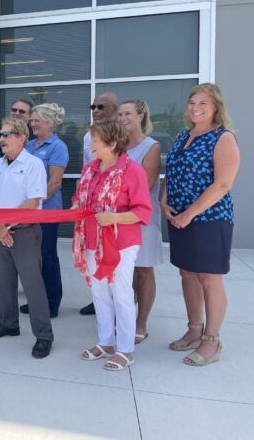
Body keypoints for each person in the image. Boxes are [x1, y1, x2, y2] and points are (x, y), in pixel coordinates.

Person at [162, 83, 240, 366]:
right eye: (192, 102)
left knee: (209, 278)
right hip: (179, 217)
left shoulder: (223, 138)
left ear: (215, 107)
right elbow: (171, 172)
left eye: (203, 103)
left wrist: (190, 213)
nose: (196, 108)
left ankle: (212, 340)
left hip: (210, 219)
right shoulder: (184, 135)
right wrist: (163, 198)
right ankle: (194, 329)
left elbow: (222, 184)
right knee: (187, 275)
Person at [73, 121, 152, 371]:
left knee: (121, 293)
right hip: (92, 239)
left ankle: (125, 349)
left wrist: (114, 217)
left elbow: (142, 211)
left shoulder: (132, 170)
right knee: (98, 292)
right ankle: (106, 342)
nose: (90, 144)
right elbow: (79, 198)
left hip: (121, 242)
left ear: (112, 143)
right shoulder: (89, 169)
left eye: (95, 140)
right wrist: (77, 207)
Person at [0, 118, 54, 359]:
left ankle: (44, 336)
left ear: (22, 138)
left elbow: (33, 202)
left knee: (33, 285)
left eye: (7, 134)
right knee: (2, 282)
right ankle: (8, 324)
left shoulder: (33, 164)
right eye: (1, 135)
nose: (1, 139)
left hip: (24, 231)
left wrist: (5, 225)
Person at [17, 103, 69, 319]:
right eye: (32, 120)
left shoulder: (58, 147)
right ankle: (38, 299)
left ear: (50, 122)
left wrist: (34, 202)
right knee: (32, 258)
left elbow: (55, 182)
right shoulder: (28, 145)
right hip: (28, 211)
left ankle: (52, 302)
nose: (32, 123)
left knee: (47, 256)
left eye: (37, 120)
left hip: (46, 212)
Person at [118, 99, 163, 343]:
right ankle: (125, 317)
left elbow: (145, 187)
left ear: (140, 116)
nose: (122, 118)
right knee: (125, 272)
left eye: (128, 113)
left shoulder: (150, 147)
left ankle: (140, 323)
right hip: (118, 218)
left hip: (141, 219)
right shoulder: (117, 146)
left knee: (143, 271)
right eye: (120, 114)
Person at [80, 91, 119, 316]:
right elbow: (86, 167)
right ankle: (99, 301)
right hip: (92, 207)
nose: (95, 111)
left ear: (114, 109)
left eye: (101, 107)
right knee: (94, 256)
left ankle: (120, 307)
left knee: (116, 261)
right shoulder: (88, 137)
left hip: (115, 209)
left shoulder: (121, 135)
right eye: (93, 106)